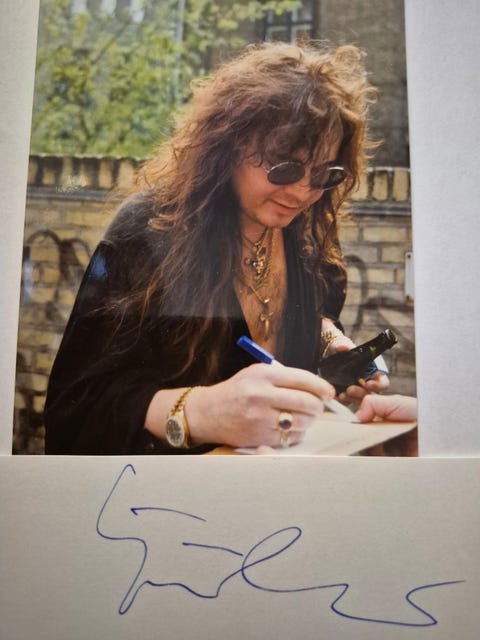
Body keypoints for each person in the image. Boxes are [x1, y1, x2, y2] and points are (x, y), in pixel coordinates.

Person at [44, 40, 389, 455]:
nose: (302, 193)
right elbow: (75, 409)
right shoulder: (148, 233)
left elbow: (314, 311)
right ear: (227, 147)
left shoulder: (308, 233)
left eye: (324, 175)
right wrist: (199, 412)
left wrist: (329, 341)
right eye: (285, 168)